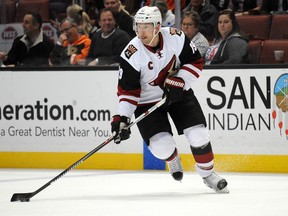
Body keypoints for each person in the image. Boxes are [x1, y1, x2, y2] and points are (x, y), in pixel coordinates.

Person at [111, 6, 229, 193]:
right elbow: (127, 92)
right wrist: (123, 119)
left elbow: (195, 62)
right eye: (139, 26)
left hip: (178, 92)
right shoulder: (131, 54)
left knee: (199, 136)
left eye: (146, 26)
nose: (141, 31)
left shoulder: (176, 37)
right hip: (147, 102)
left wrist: (179, 81)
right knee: (162, 148)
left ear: (157, 26)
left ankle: (208, 175)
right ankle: (173, 158)